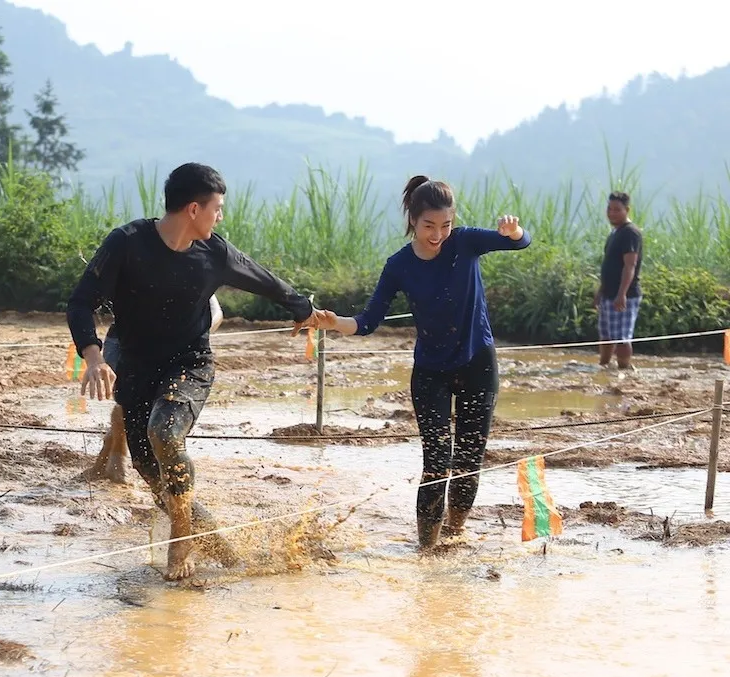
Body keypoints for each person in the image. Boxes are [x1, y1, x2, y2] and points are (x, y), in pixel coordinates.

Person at [66, 162, 319, 580]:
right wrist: (93, 357)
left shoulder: (214, 252)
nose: (220, 216)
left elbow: (266, 281)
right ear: (192, 209)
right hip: (137, 367)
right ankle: (225, 549)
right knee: (152, 472)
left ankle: (180, 541)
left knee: (165, 431)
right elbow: (80, 302)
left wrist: (305, 311)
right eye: (217, 208)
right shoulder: (126, 244)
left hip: (190, 364)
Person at [301, 175, 531, 550]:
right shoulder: (400, 265)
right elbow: (368, 321)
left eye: (445, 225)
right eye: (428, 226)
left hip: (478, 365)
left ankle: (456, 535)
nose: (438, 234)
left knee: (470, 457)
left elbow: (520, 243)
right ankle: (426, 549)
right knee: (437, 459)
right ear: (413, 219)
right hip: (431, 372)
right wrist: (333, 322)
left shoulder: (466, 242)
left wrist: (515, 231)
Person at [84, 295, 224, 484]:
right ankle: (117, 456)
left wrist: (193, 330)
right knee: (129, 398)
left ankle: (108, 457)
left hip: (175, 349)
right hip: (126, 341)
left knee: (163, 408)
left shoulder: (198, 269)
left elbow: (216, 313)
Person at [595, 192, 643, 371]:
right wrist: (601, 291)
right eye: (609, 209)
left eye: (617, 210)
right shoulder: (615, 233)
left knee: (622, 337)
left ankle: (624, 369)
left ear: (627, 210)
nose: (612, 213)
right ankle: (603, 367)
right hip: (608, 293)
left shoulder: (630, 233)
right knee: (606, 335)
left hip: (625, 295)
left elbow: (630, 265)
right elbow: (610, 265)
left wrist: (622, 294)